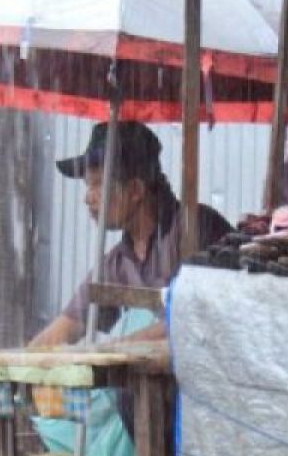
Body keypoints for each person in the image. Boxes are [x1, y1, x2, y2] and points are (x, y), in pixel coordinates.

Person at [30, 121, 231, 347]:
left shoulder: (195, 231)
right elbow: (66, 326)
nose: (88, 198)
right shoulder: (119, 261)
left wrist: (114, 350)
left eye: (97, 185)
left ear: (135, 190)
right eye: (88, 186)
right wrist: (19, 369)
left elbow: (195, 320)